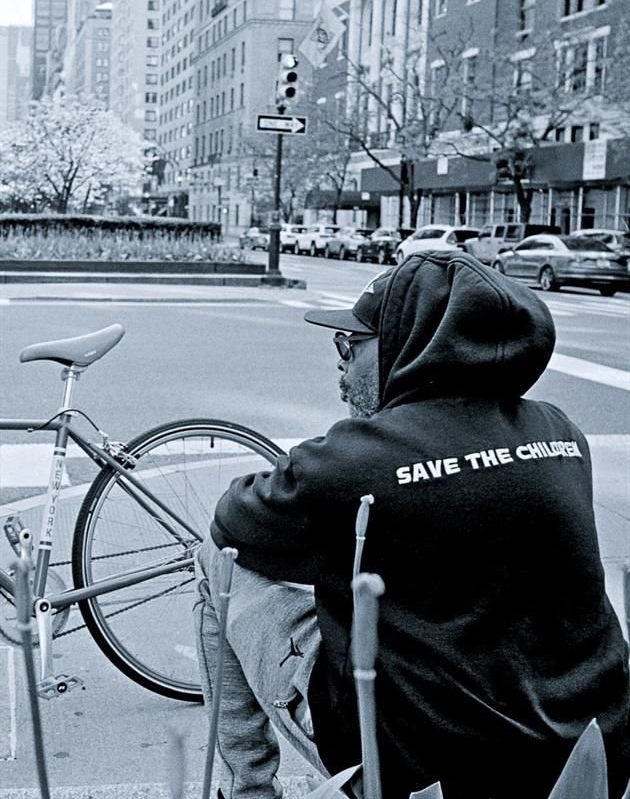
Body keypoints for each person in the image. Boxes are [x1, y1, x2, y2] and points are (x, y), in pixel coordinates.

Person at [194, 250, 630, 799]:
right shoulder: (560, 433)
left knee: (215, 560)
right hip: (584, 757)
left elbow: (233, 521)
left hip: (419, 771)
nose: (340, 364)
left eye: (350, 347)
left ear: (412, 346)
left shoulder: (353, 459)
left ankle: (247, 790)